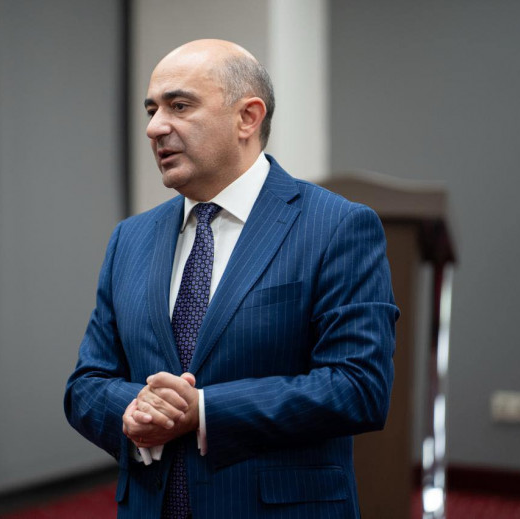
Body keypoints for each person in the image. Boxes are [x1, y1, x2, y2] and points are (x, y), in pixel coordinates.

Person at [65, 39, 399, 519]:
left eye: (180, 106)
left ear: (248, 117)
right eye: (152, 110)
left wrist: (204, 410)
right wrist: (137, 408)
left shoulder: (337, 226)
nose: (155, 127)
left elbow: (359, 386)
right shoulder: (129, 238)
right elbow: (86, 384)